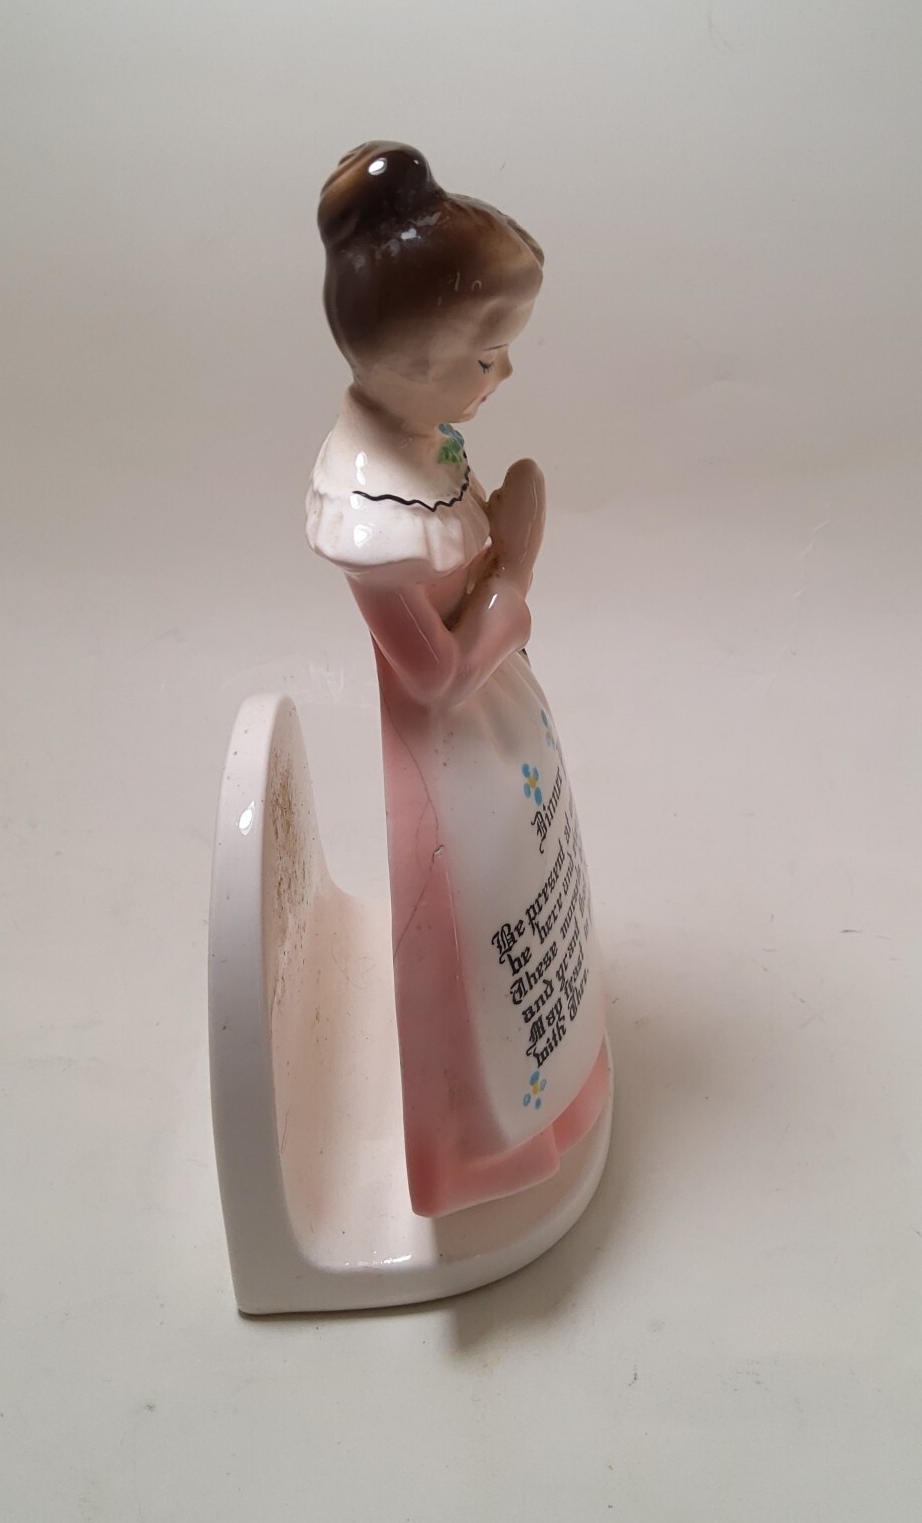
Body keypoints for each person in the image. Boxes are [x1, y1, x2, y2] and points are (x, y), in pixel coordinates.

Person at [306, 142, 609, 1217]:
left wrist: (498, 565)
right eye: (487, 356)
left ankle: (558, 1089)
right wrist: (513, 574)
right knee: (479, 925)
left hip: (500, 720)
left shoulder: (426, 437)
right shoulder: (372, 513)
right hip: (451, 748)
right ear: (411, 364)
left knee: (529, 880)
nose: (504, 376)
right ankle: (481, 1148)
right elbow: (431, 677)